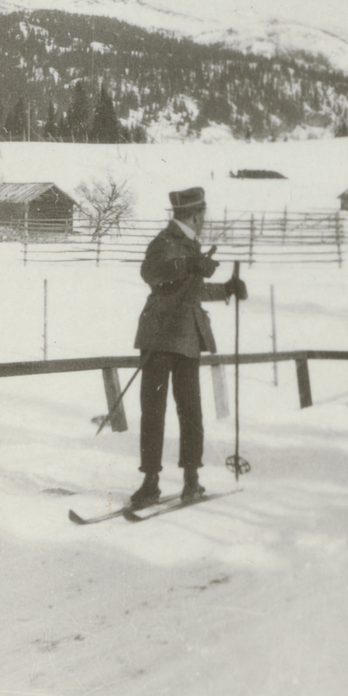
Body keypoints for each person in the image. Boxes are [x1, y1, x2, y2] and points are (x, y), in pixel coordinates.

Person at [129, 187, 247, 508]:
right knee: (154, 410)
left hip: (187, 338)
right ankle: (150, 483)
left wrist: (226, 289)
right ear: (195, 215)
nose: (204, 221)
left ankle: (191, 481)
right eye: (203, 216)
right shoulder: (164, 241)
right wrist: (189, 265)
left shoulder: (192, 246)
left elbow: (191, 291)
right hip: (160, 337)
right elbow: (151, 274)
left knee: (191, 411)